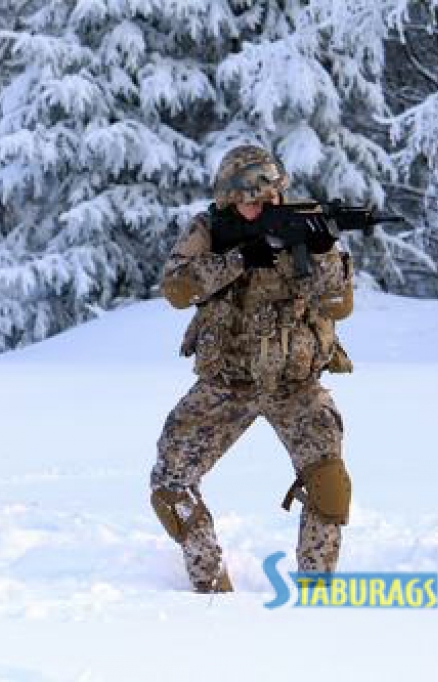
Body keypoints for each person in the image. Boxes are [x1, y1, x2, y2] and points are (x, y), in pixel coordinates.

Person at [150, 144, 354, 592]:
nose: (256, 208)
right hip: (227, 382)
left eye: (265, 200)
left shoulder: (309, 223)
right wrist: (241, 258)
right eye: (246, 201)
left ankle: (317, 594)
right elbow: (177, 289)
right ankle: (210, 587)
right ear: (227, 200)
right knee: (170, 484)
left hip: (295, 384)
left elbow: (340, 305)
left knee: (329, 486)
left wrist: (319, 252)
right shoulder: (208, 229)